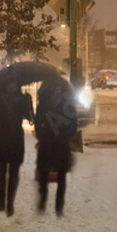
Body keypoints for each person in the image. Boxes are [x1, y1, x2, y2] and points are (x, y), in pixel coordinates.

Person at [0, 79, 34, 217]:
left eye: (14, 83)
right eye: (10, 82)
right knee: (0, 172)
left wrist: (29, 103)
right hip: (2, 138)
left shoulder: (23, 99)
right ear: (5, 84)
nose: (12, 85)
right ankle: (1, 199)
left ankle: (10, 203)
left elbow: (31, 118)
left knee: (14, 173)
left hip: (16, 139)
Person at [34, 77, 78, 217]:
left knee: (61, 176)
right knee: (44, 174)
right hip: (46, 143)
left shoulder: (68, 105)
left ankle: (59, 207)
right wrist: (42, 135)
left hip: (61, 144)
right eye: (55, 86)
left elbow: (73, 124)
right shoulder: (44, 103)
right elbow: (38, 121)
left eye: (59, 87)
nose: (57, 89)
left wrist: (65, 137)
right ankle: (42, 203)